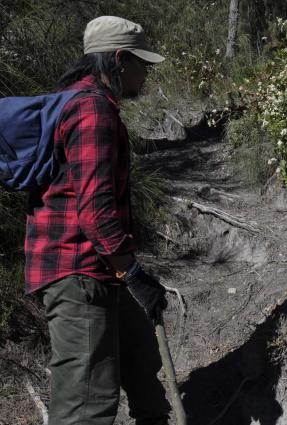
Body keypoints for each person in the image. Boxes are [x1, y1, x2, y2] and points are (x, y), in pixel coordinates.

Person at [25, 16, 172, 425]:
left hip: (98, 269)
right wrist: (135, 273)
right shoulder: (92, 111)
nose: (147, 74)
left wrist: (128, 274)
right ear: (120, 59)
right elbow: (95, 210)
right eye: (144, 64)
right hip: (77, 271)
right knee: (86, 405)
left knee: (141, 360)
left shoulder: (75, 100)